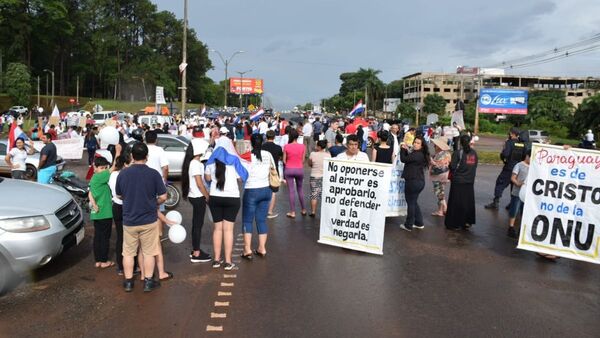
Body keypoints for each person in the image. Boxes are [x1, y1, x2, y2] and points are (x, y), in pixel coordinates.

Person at [116, 142, 167, 293]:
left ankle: (128, 282)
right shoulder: (153, 174)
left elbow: (119, 194)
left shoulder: (123, 173)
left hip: (129, 219)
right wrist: (153, 202)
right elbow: (163, 197)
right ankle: (148, 281)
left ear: (132, 156)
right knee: (149, 252)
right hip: (148, 219)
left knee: (128, 252)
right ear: (147, 156)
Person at [205, 147, 248, 271]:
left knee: (217, 229)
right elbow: (241, 178)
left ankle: (216, 260)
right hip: (232, 198)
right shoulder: (233, 162)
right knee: (228, 230)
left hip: (215, 198)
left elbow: (207, 179)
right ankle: (228, 262)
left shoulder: (211, 163)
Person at [241, 134, 274, 260]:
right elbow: (273, 169)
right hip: (266, 189)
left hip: (252, 190)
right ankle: (262, 248)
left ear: (251, 142)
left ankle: (247, 249)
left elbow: (241, 174)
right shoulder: (268, 154)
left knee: (247, 221)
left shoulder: (247, 155)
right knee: (261, 220)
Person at [181, 138, 212, 263]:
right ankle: (197, 253)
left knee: (196, 224)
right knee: (198, 225)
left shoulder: (192, 163)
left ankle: (195, 250)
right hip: (198, 197)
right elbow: (200, 183)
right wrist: (207, 196)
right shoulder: (196, 164)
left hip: (193, 196)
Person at [445, 134, 478, 230]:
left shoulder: (457, 153)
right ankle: (467, 222)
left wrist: (449, 163)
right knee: (467, 203)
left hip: (458, 181)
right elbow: (475, 166)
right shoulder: (474, 153)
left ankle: (454, 223)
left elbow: (453, 167)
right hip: (469, 181)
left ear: (461, 143)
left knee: (456, 202)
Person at [485, 127, 521, 209]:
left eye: (509, 133)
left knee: (500, 183)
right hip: (518, 168)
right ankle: (513, 204)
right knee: (514, 186)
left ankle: (495, 202)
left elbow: (505, 154)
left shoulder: (509, 142)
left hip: (509, 168)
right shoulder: (521, 143)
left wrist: (503, 151)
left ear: (512, 134)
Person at [399, 136, 430, 231]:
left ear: (422, 145)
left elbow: (404, 159)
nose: (415, 144)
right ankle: (419, 222)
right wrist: (407, 149)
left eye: (418, 143)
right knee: (414, 202)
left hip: (413, 181)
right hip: (419, 181)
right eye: (415, 142)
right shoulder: (420, 154)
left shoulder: (417, 154)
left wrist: (402, 149)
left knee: (411, 203)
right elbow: (409, 157)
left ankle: (408, 224)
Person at [89, 156, 114, 269]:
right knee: (104, 237)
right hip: (105, 212)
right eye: (104, 167)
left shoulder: (94, 177)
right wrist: (117, 153)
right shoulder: (101, 176)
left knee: (98, 236)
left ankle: (97, 260)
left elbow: (90, 193)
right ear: (101, 167)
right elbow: (113, 168)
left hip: (96, 212)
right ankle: (103, 261)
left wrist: (94, 205)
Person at [109, 156, 132, 275]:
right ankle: (129, 266)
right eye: (130, 163)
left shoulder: (113, 174)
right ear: (125, 164)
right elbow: (121, 194)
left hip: (116, 207)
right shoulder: (125, 175)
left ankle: (121, 266)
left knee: (120, 237)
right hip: (125, 207)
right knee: (129, 239)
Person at [507, 149, 530, 238]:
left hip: (527, 194)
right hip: (517, 192)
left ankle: (521, 229)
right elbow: (513, 177)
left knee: (524, 212)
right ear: (527, 156)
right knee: (514, 210)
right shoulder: (519, 165)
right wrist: (518, 183)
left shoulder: (535, 167)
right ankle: (511, 227)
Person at [283, 129, 306, 218]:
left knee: (291, 191)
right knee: (300, 190)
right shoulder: (302, 146)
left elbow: (284, 161)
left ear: (290, 136)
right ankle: (303, 209)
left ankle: (292, 212)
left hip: (289, 169)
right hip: (299, 169)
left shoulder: (286, 146)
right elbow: (303, 160)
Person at [262, 130, 283, 218]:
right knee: (273, 191)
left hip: (263, 170)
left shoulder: (262, 146)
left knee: (264, 190)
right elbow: (280, 158)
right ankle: (270, 211)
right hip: (274, 170)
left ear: (266, 137)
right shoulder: (278, 147)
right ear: (274, 137)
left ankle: (262, 210)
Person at [429, 137, 452, 217]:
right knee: (441, 192)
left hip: (439, 176)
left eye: (435, 145)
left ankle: (444, 208)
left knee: (439, 193)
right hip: (444, 175)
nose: (434, 146)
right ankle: (441, 210)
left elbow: (438, 165)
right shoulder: (447, 153)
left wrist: (432, 162)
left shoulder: (441, 154)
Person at [308, 140, 331, 217]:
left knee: (314, 194)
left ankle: (313, 212)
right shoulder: (328, 155)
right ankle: (325, 212)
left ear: (319, 147)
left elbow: (310, 164)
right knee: (324, 195)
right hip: (324, 176)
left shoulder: (313, 154)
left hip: (314, 176)